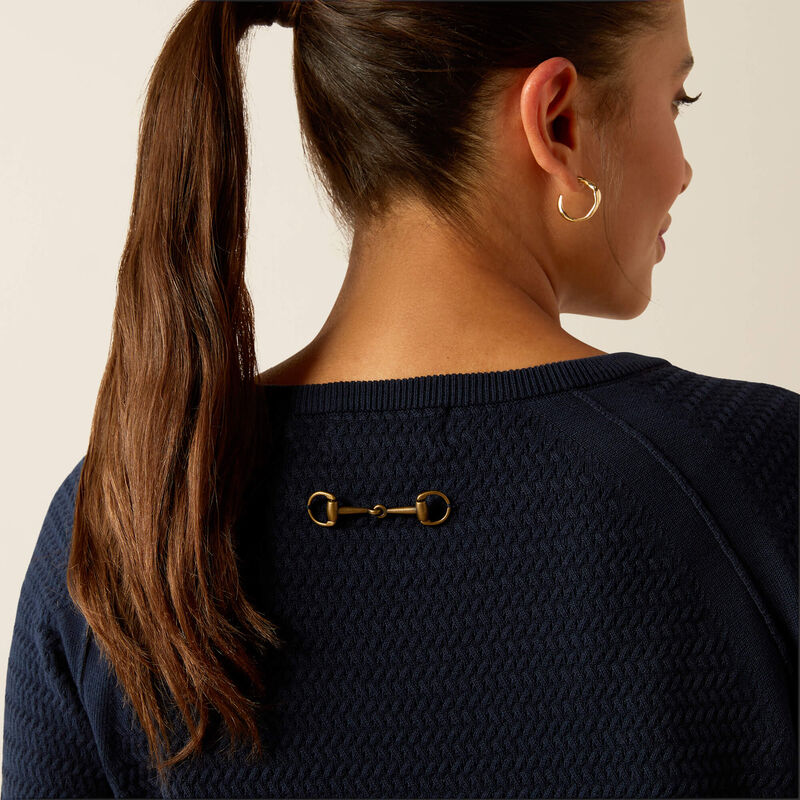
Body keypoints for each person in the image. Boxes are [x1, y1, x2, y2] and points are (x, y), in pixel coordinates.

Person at [2, 0, 797, 797]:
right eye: (676, 100)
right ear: (556, 122)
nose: (684, 169)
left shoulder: (127, 513)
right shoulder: (762, 479)